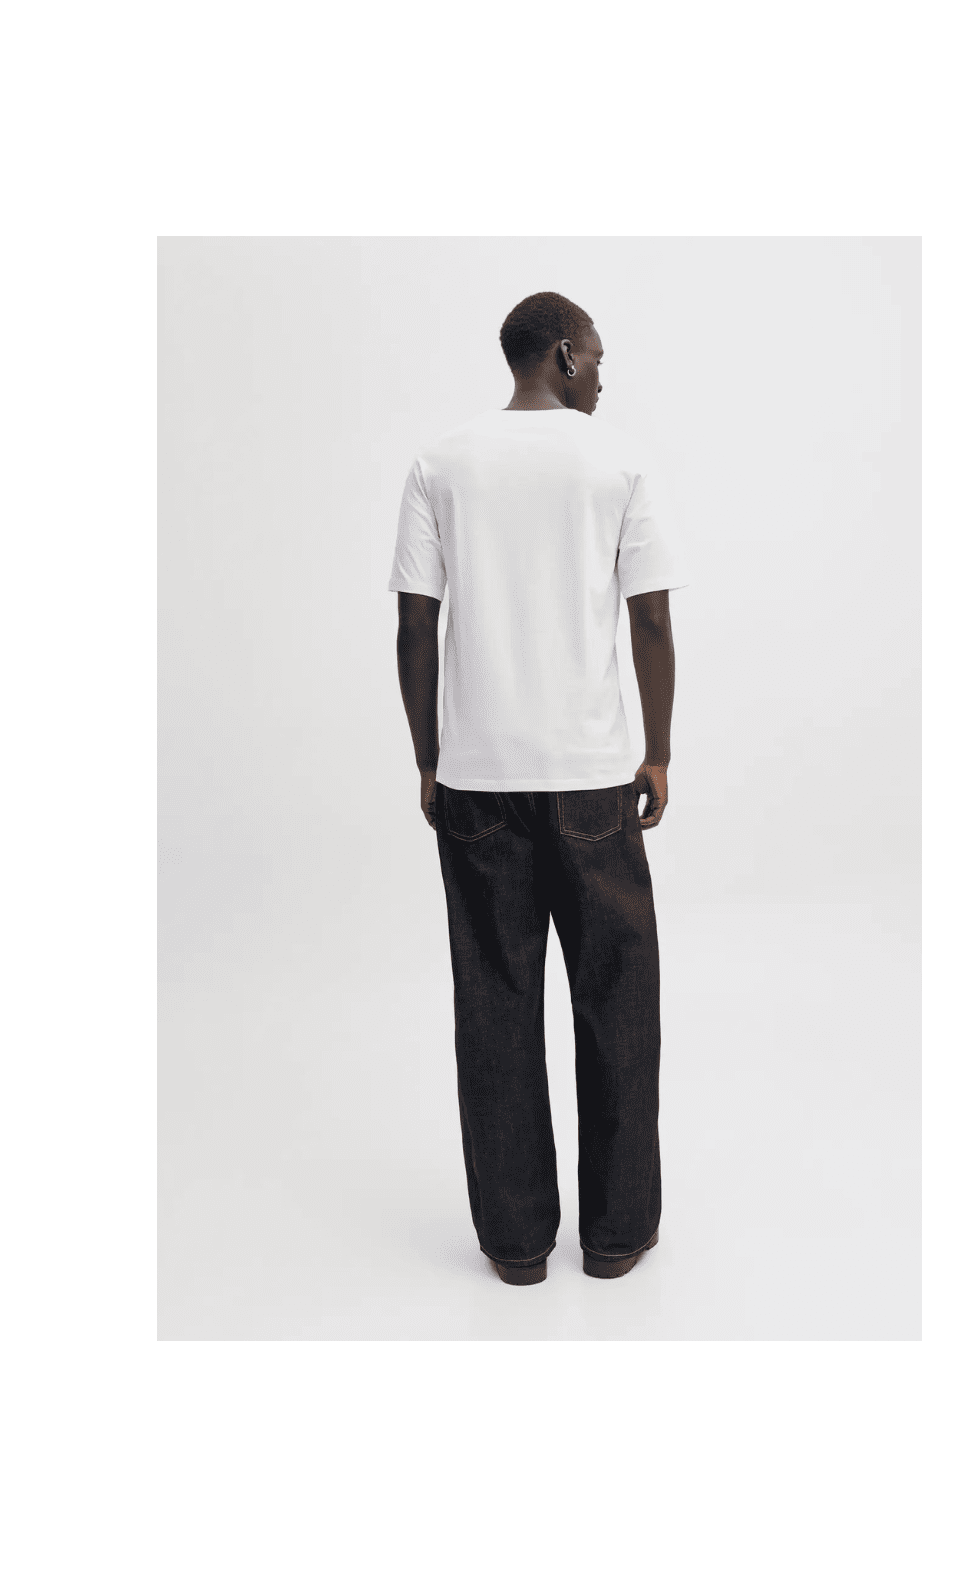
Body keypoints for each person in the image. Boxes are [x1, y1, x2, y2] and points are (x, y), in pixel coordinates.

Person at [387, 291, 688, 1285]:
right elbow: (650, 619)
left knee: (494, 1010)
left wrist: (429, 757)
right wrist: (657, 752)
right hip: (593, 780)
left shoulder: (440, 463)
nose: (600, 374)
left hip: (477, 782)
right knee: (618, 1006)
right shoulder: (616, 464)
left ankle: (516, 1247)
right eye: (594, 356)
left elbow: (415, 623)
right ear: (561, 353)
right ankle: (615, 1235)